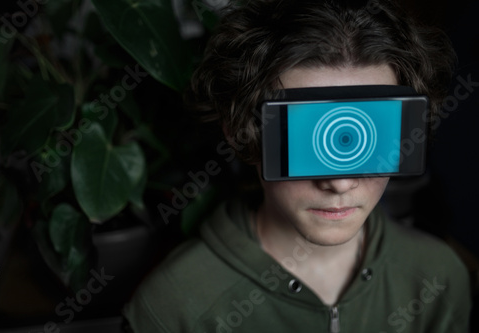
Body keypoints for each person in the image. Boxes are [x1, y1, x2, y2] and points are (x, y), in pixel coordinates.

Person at [123, 0, 472, 332]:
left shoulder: (437, 277)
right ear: (239, 134)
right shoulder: (171, 308)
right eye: (309, 140)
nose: (339, 183)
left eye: (363, 137)